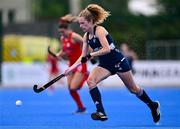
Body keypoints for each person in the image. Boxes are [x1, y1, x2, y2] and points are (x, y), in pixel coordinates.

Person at [64, 4, 160, 123]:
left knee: (133, 89)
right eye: (79, 23)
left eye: (83, 23)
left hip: (118, 62)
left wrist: (91, 55)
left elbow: (106, 49)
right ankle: (101, 112)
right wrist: (71, 68)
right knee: (91, 81)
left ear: (91, 21)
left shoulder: (100, 30)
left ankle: (152, 105)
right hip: (105, 65)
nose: (81, 26)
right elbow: (83, 56)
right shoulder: (86, 36)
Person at [56, 14, 88, 114]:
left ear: (67, 29)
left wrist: (87, 54)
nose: (62, 34)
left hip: (79, 64)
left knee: (74, 87)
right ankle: (81, 108)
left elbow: (85, 42)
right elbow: (65, 50)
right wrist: (59, 54)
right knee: (71, 89)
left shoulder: (74, 36)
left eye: (63, 32)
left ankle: (86, 75)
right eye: (60, 32)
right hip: (71, 65)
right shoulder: (62, 38)